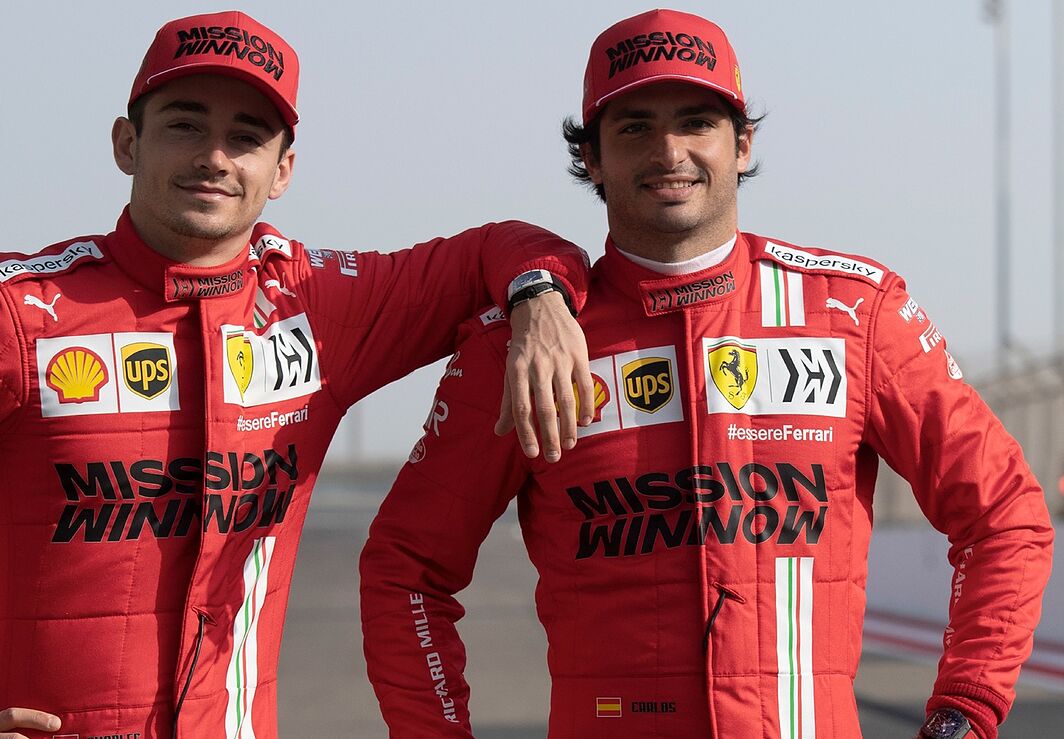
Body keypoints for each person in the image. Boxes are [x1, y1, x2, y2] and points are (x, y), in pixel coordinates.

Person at [0, 10, 597, 739]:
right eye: (185, 124)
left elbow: (507, 244)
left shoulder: (320, 304)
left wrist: (540, 297)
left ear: (283, 170)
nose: (215, 157)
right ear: (128, 143)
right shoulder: (12, 311)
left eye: (247, 136)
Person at [359, 9, 1054, 739]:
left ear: (742, 143)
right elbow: (405, 570)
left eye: (696, 122)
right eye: (634, 128)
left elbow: (1005, 513)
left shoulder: (853, 312)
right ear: (592, 158)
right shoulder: (525, 346)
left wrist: (964, 715)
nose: (669, 151)